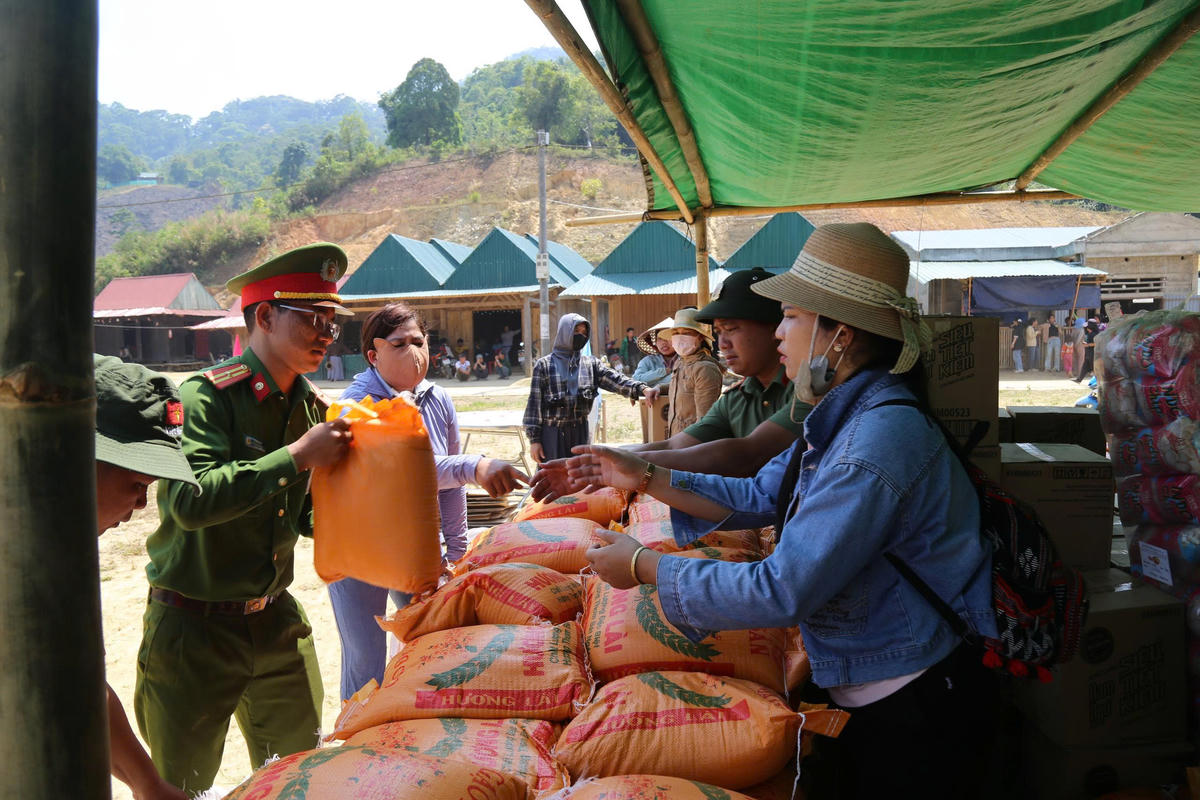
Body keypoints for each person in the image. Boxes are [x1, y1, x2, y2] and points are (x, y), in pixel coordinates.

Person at [562, 223, 997, 799]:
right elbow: (758, 494)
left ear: (839, 338)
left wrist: (646, 567)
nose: (781, 333)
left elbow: (783, 588)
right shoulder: (840, 420)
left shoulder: (878, 441)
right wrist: (643, 473)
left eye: (790, 316)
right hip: (868, 683)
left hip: (915, 702)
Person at [136, 242, 355, 795]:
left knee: (300, 778)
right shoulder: (205, 398)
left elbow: (305, 516)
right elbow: (190, 503)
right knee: (177, 786)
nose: (328, 334)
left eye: (333, 321)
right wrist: (298, 456)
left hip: (275, 621)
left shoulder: (310, 408)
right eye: (314, 319)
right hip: (193, 628)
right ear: (265, 316)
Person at [329, 303, 527, 701]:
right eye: (399, 344)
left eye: (419, 342)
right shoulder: (357, 404)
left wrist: (454, 550)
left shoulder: (437, 400)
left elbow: (448, 490)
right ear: (374, 354)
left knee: (434, 641)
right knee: (367, 661)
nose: (414, 352)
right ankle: (355, 744)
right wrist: (475, 465)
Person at [93, 354, 196, 800]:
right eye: (137, 483)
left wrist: (147, 783)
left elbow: (82, 686)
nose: (139, 507)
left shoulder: (56, 550)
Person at [524, 312, 658, 463]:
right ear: (564, 332)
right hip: (552, 434)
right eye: (576, 331)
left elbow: (616, 380)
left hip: (580, 432)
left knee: (580, 477)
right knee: (552, 479)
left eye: (584, 333)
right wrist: (534, 440)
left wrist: (642, 389)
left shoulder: (591, 364)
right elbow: (534, 405)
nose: (580, 336)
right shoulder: (544, 365)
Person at [663, 308, 723, 436]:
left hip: (690, 444)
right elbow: (681, 386)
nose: (680, 337)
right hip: (675, 438)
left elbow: (704, 423)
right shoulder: (681, 362)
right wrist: (658, 388)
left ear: (700, 337)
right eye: (676, 332)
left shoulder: (705, 369)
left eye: (686, 332)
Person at [631, 316, 677, 388]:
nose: (664, 342)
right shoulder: (648, 361)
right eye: (660, 339)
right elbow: (635, 380)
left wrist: (653, 383)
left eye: (668, 338)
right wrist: (663, 372)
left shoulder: (685, 359)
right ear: (655, 342)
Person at [1074, 318, 1100, 382]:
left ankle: (1098, 382)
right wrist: (1086, 344)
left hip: (1093, 353)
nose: (1086, 327)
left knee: (1095, 368)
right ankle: (1079, 379)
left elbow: (1096, 344)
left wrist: (1087, 345)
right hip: (1088, 353)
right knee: (1085, 367)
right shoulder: (1089, 334)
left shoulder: (1095, 334)